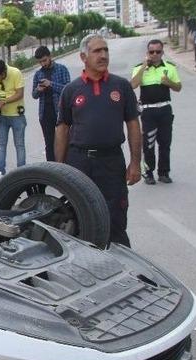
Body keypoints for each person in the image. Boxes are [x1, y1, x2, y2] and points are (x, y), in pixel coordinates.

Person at [55, 33, 142, 247]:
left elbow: (133, 125)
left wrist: (136, 162)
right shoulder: (71, 90)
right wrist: (59, 169)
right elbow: (62, 129)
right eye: (97, 51)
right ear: (83, 57)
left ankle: (124, 270)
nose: (103, 55)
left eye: (105, 50)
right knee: (77, 216)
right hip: (80, 162)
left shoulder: (121, 86)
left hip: (111, 162)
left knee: (116, 220)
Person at [131, 39, 182, 185]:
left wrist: (169, 82)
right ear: (147, 53)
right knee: (149, 144)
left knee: (165, 143)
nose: (154, 54)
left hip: (165, 109)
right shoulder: (139, 68)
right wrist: (144, 67)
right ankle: (148, 173)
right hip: (148, 112)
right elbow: (133, 85)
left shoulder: (170, 68)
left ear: (162, 53)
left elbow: (178, 87)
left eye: (157, 52)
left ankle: (164, 173)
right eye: (151, 52)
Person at [0, 59, 26, 183]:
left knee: (19, 145)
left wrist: (4, 101)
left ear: (5, 71)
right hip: (1, 115)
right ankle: (0, 172)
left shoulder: (16, 73)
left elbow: (20, 94)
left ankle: (22, 173)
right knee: (1, 145)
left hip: (16, 115)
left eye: (1, 76)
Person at [31, 46, 71, 163]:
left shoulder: (62, 69)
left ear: (50, 57)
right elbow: (34, 95)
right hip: (45, 113)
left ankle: (65, 168)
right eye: (40, 62)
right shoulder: (38, 74)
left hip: (60, 113)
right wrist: (39, 89)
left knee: (64, 142)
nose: (43, 64)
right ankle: (52, 171)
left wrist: (51, 84)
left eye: (44, 60)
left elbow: (68, 90)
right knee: (49, 144)